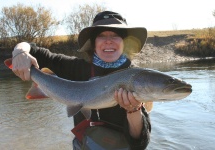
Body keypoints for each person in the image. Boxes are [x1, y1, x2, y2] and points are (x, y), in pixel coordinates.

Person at [11, 11, 152, 149]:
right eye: (102, 35)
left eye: (115, 35)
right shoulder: (76, 67)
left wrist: (133, 110)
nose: (108, 40)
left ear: (124, 43)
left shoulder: (137, 79)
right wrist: (20, 52)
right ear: (93, 43)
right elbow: (32, 50)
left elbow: (140, 143)